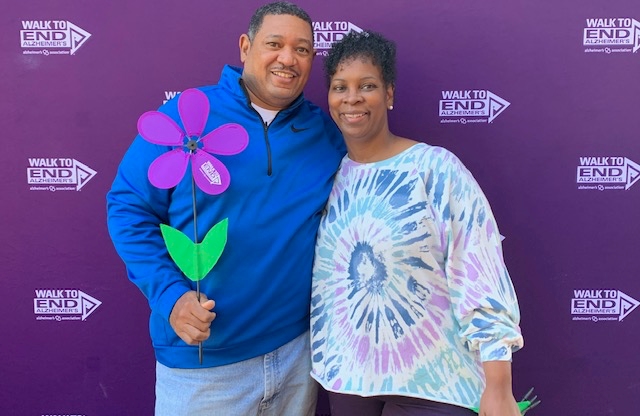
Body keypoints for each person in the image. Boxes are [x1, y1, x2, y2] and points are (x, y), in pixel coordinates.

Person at [107, 2, 345, 415]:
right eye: (275, 44)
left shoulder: (325, 133)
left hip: (296, 357)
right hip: (204, 367)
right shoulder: (187, 116)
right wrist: (171, 297)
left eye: (302, 49)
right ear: (245, 46)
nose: (288, 58)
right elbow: (128, 209)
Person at [310, 30, 524, 416]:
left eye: (367, 86)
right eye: (340, 86)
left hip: (436, 382)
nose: (352, 98)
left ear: (389, 94)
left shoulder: (435, 169)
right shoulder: (329, 177)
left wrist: (498, 384)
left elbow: (477, 271)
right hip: (348, 379)